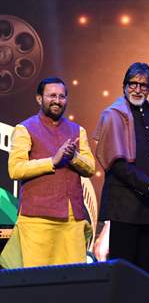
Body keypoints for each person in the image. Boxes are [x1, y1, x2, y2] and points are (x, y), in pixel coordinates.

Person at [93, 62, 149, 280]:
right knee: (125, 275)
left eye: (144, 85)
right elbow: (117, 164)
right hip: (125, 208)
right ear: (124, 85)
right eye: (133, 84)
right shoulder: (113, 115)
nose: (138, 89)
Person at [6, 77, 95, 267]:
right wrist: (52, 161)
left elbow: (90, 168)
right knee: (38, 281)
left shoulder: (78, 130)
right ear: (39, 99)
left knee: (73, 279)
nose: (57, 100)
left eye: (62, 96)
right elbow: (15, 169)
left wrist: (74, 157)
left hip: (72, 220)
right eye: (52, 95)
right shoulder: (25, 129)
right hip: (37, 219)